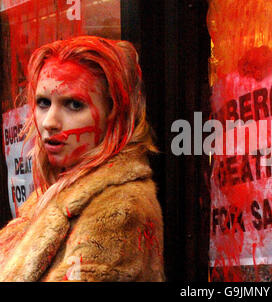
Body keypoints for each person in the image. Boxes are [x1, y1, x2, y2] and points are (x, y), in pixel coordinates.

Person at [0, 36, 165, 281]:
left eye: (74, 105)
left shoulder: (120, 209)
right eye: (43, 103)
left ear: (113, 112)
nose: (49, 122)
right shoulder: (46, 198)